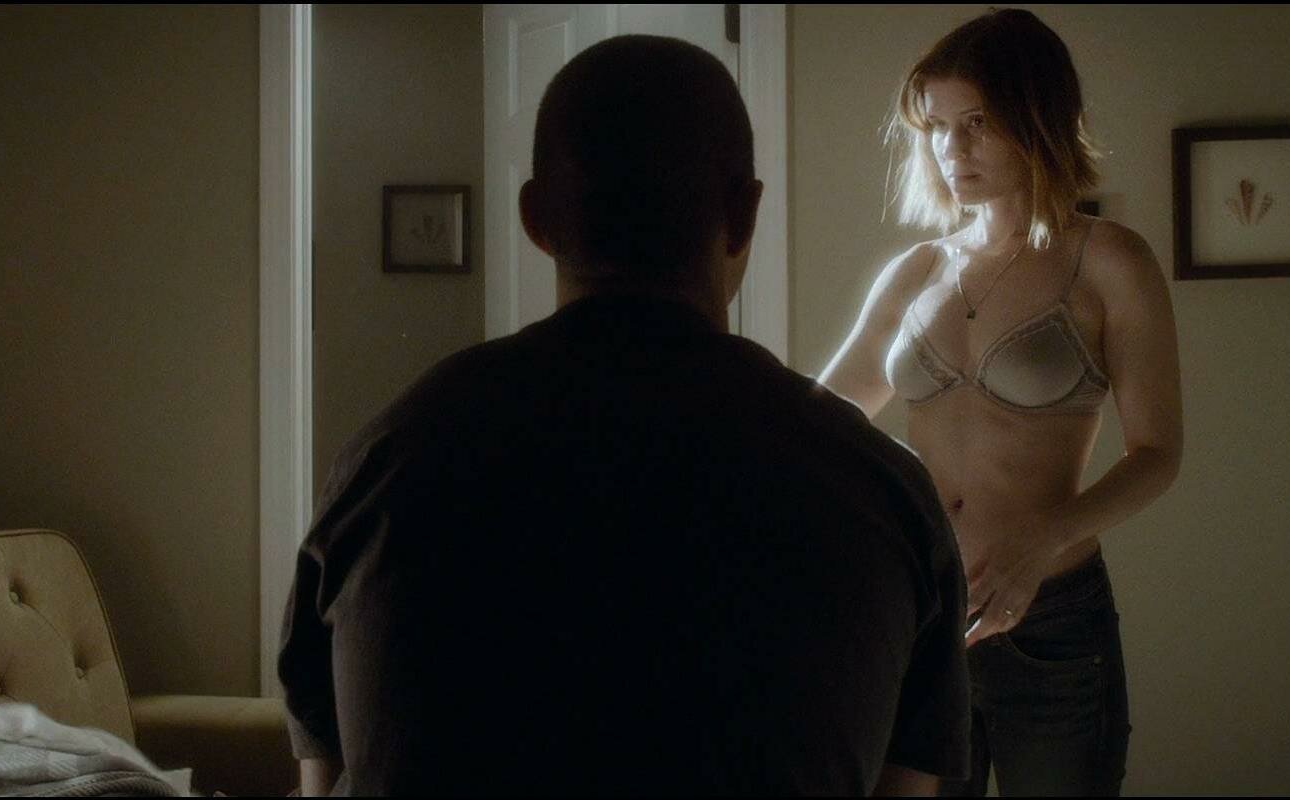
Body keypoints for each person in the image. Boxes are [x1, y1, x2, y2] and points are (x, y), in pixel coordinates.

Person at [278, 34, 970, 797]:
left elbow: (324, 772)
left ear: (536, 218)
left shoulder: (386, 462)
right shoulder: (884, 496)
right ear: (744, 215)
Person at [819, 9, 1184, 797]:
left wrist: (1043, 538)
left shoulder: (1108, 261)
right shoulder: (918, 270)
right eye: (938, 128)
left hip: (1051, 621)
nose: (952, 150)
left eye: (977, 123)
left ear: (1038, 117)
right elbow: (821, 422)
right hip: (924, 618)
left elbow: (1158, 455)